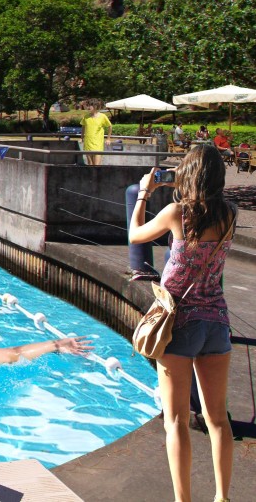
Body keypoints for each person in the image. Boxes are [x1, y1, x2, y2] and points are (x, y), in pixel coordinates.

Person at [129, 145, 235, 502]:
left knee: (176, 420)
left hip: (180, 324)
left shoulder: (178, 213)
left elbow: (135, 235)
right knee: (217, 419)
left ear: (188, 176)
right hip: (217, 321)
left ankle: (184, 500)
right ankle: (222, 497)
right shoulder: (230, 215)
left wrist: (144, 192)